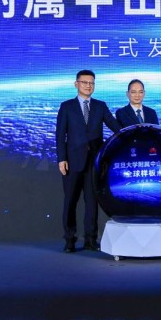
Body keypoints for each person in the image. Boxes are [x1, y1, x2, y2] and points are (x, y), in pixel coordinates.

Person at [56, 69, 121, 253]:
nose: (88, 86)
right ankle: (69, 240)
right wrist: (62, 159)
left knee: (92, 202)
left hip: (94, 162)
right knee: (70, 201)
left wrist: (133, 133)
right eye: (84, 82)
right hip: (72, 162)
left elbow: (115, 127)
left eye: (91, 83)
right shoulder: (67, 106)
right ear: (76, 84)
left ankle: (91, 241)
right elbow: (60, 135)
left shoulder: (100, 106)